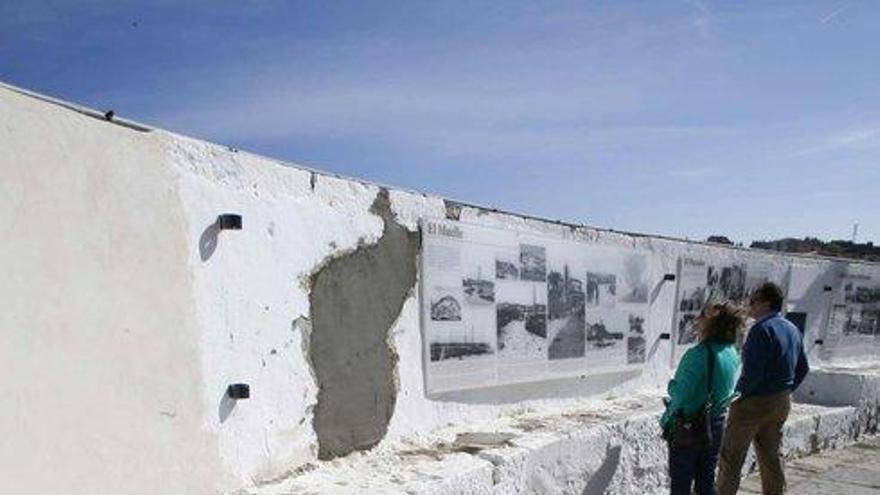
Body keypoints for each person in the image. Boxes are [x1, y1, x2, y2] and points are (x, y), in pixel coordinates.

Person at [716, 282, 810, 495]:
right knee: (771, 457)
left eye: (753, 301)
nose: (749, 306)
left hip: (753, 403)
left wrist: (736, 397)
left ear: (766, 303)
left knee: (731, 458)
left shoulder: (761, 330)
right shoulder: (791, 328)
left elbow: (753, 374)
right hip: (781, 400)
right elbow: (803, 368)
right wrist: (785, 389)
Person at [661, 302, 745, 495]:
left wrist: (671, 387)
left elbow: (681, 395)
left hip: (690, 426)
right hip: (716, 422)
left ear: (708, 324)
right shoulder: (731, 351)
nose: (697, 321)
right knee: (705, 480)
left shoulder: (697, 355)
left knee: (681, 482)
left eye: (701, 317)